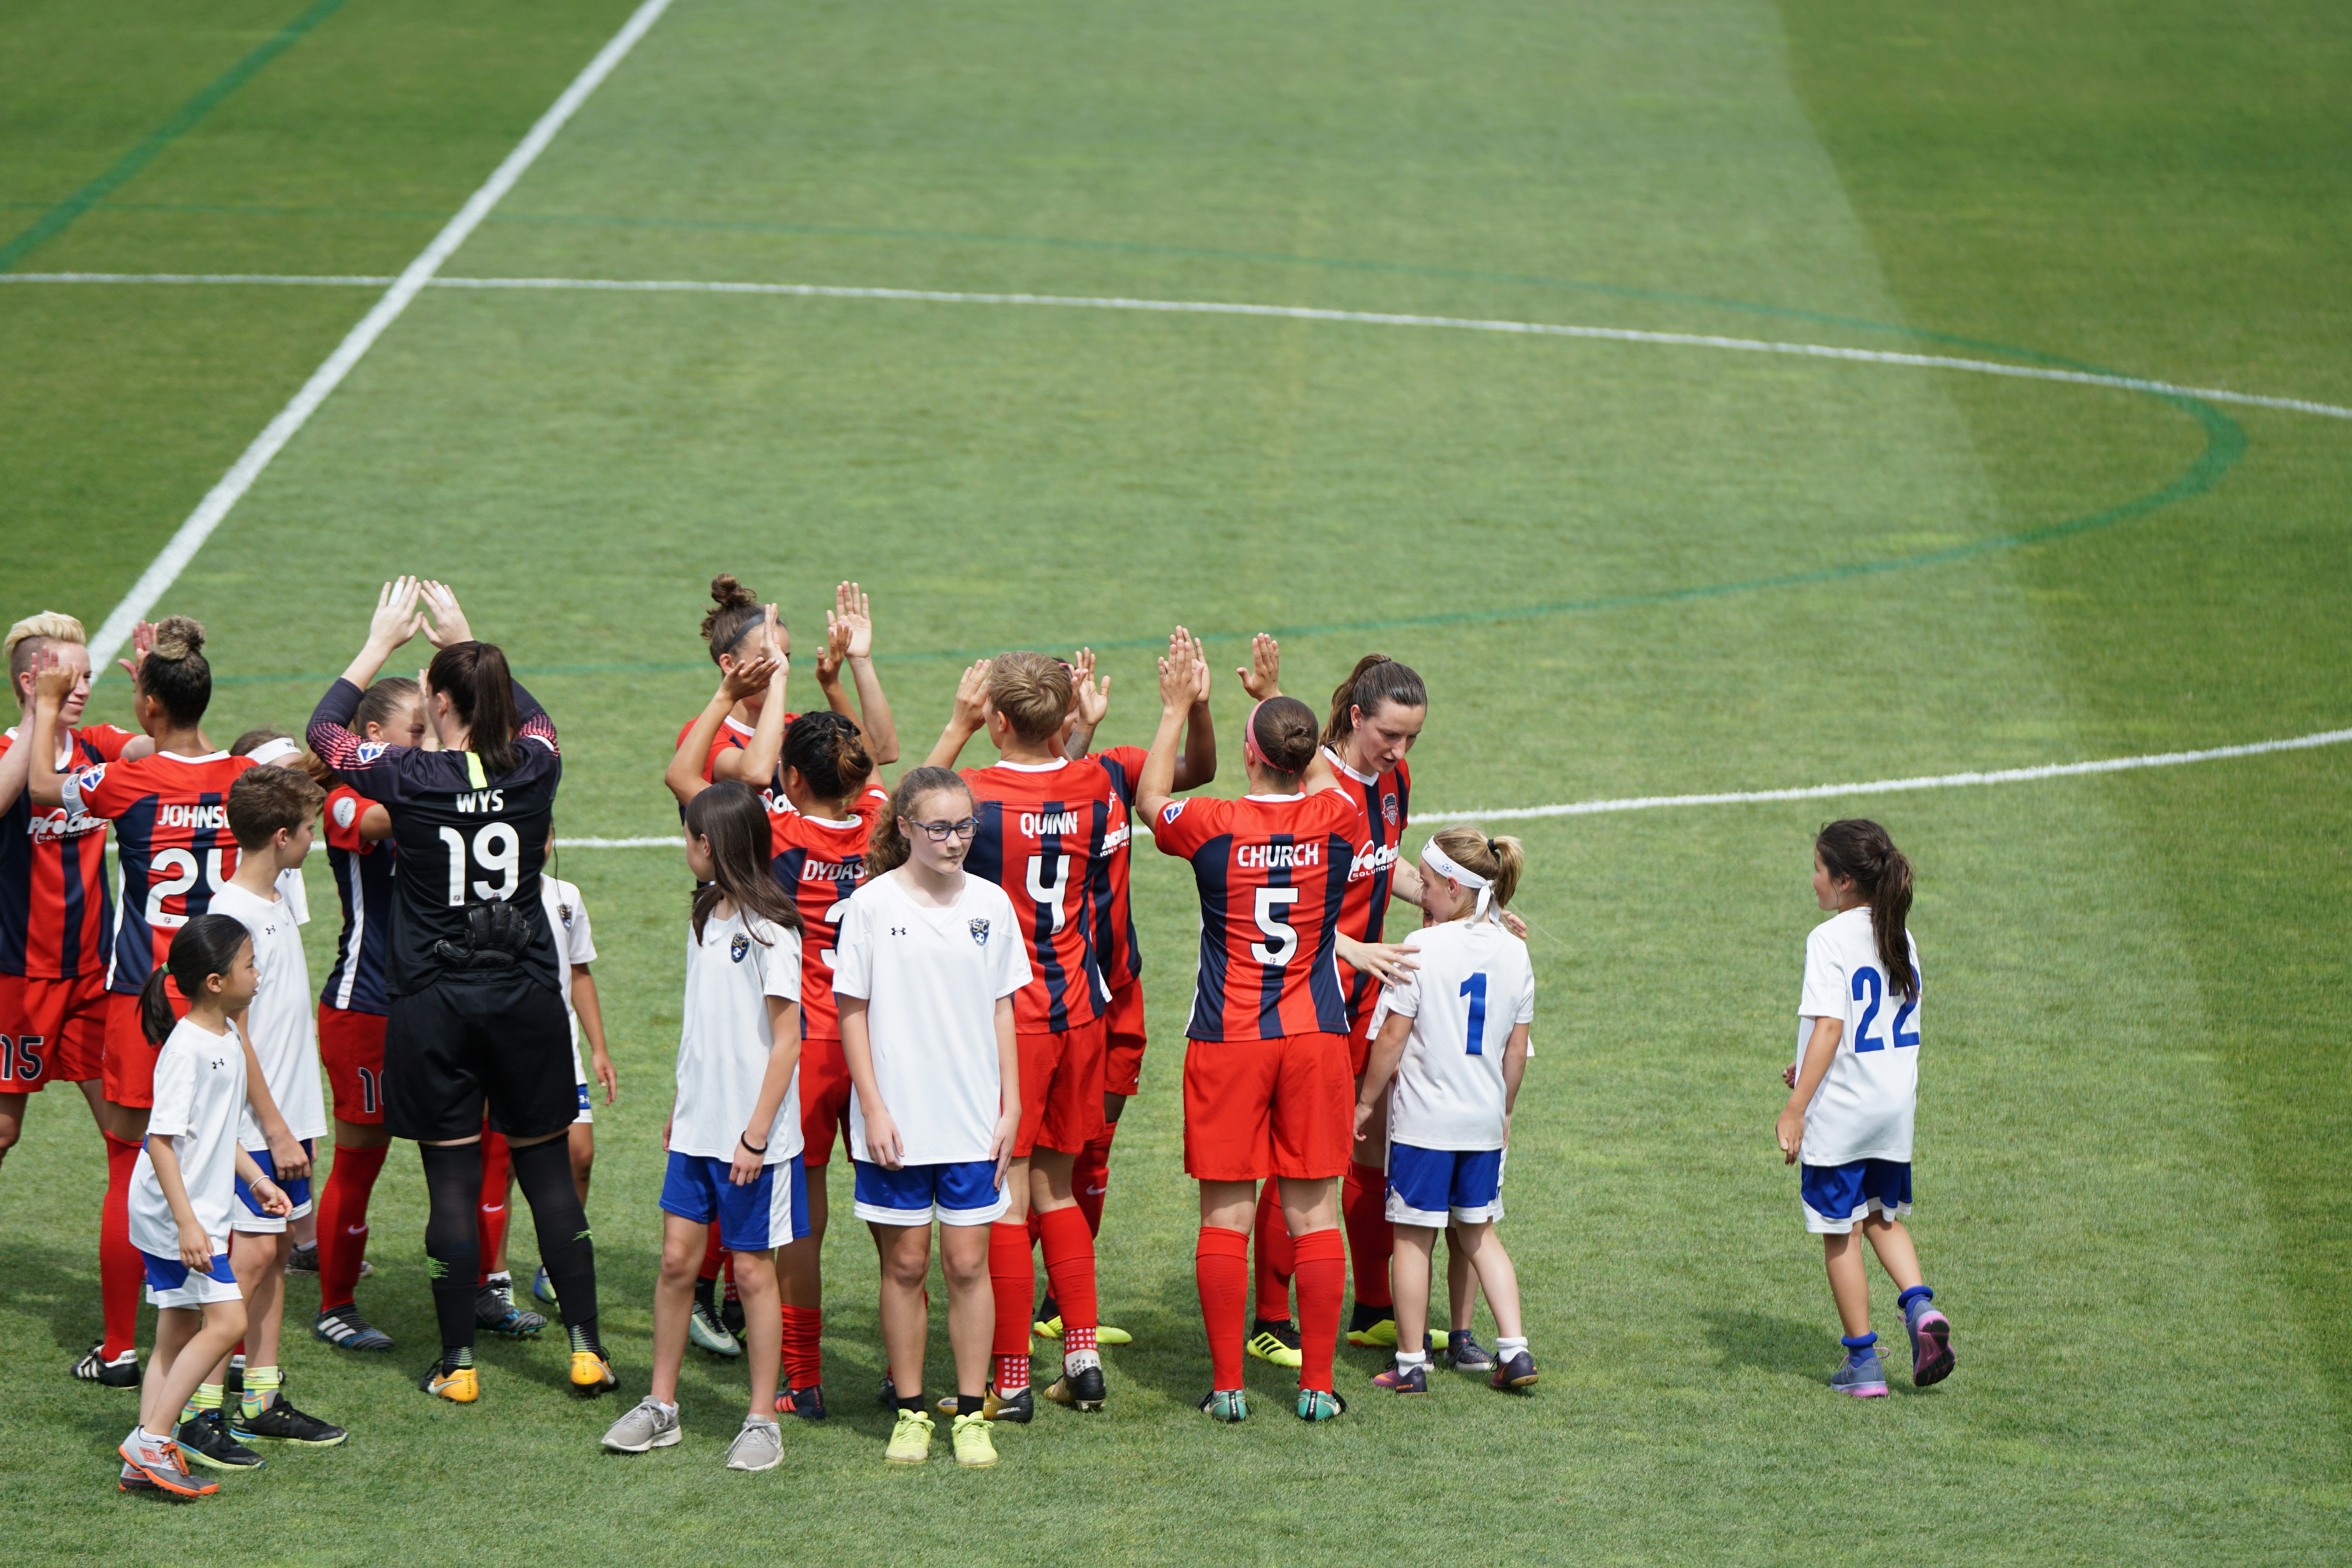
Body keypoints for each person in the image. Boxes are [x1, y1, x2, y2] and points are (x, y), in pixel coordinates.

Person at [306, 578, 609, 1404]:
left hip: (433, 1004)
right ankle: (587, 1350)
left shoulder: (408, 773)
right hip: (524, 997)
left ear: (438, 702)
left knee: (449, 1181)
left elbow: (325, 733)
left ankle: (459, 1363)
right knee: (547, 1176)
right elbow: (540, 722)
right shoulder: (537, 766)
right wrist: (475, 643)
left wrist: (379, 645)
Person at [1139, 657, 1416, 1423]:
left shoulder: (1210, 824)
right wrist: (1270, 697)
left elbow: (1152, 798)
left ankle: (1229, 1385)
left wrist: (1174, 708)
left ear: (1250, 755)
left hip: (1229, 1038)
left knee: (1225, 1215)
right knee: (1314, 1213)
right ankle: (1319, 1386)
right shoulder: (1339, 818)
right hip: (1316, 1035)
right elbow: (1330, 784)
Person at [25, 617, 263, 1389]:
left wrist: (49, 705)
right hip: (221, 998)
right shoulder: (240, 779)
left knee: (130, 1159)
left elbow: (37, 788)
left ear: (149, 706)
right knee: (221, 1154)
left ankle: (122, 1345)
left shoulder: (128, 780)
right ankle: (216, 1332)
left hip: (140, 998)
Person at [668, 666, 888, 1420]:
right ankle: (904, 1370)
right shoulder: (881, 820)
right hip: (877, 1044)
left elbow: (688, 778)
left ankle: (803, 1377)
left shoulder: (774, 833)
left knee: (802, 1221)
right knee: (894, 1211)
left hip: (805, 1046)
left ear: (790, 778)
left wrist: (737, 693)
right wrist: (843, 684)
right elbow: (882, 757)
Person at [923, 653, 1115, 1418]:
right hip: (1082, 1009)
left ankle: (1009, 1379)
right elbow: (1065, 779)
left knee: (1005, 1197)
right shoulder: (1097, 783)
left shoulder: (978, 799)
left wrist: (957, 725)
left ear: (998, 719)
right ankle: (1083, 1355)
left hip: (1013, 1020)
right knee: (1059, 1187)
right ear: (1067, 719)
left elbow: (893, 825)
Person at [600, 782, 803, 1470]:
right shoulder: (706, 914)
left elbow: (787, 1043)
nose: (684, 847)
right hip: (697, 1129)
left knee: (751, 1273)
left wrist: (753, 1133)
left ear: (710, 845)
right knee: (675, 1263)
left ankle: (760, 1421)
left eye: (689, 836)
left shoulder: (773, 930)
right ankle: (663, 1407)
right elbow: (704, 1027)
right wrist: (684, 1105)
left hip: (754, 1139)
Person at [833, 767, 1025, 1468]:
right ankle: (912, 1411)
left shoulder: (993, 905)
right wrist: (874, 1107)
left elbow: (1004, 1005)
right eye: (940, 827)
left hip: (974, 1118)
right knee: (907, 1264)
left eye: (965, 826)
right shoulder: (869, 906)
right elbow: (851, 1010)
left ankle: (971, 1414)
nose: (955, 840)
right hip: (898, 1123)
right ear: (906, 828)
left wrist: (1013, 1103)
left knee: (968, 1263)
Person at [1030, 633, 1217, 1348]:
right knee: (1045, 1154)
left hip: (1120, 993)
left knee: (1094, 1149)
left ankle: (1059, 1300)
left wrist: (1196, 707)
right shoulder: (1036, 786)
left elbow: (1194, 768)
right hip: (1054, 1000)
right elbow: (1051, 791)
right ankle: (1022, 1308)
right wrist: (1082, 736)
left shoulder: (1117, 770)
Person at [170, 764, 348, 1465]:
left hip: (288, 1113)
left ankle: (261, 1398)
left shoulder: (272, 897)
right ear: (282, 837)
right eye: (308, 831)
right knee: (245, 1261)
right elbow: (236, 1031)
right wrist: (274, 1125)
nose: (314, 840)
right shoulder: (234, 915)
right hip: (255, 1123)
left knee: (272, 1251)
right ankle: (200, 1409)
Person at [1356, 826, 1537, 1395]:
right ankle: (1515, 1349)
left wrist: (1364, 1101)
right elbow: (1516, 1052)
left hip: (1424, 1125)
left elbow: (1391, 1038)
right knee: (1480, 1234)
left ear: (1456, 889)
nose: (1420, 892)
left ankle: (1411, 1364)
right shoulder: (1516, 950)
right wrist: (1503, 1111)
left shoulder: (1422, 947)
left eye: (1428, 884)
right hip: (1482, 1123)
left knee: (1413, 1239)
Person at [1776, 819, 1955, 1397]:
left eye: (1820, 871)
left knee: (1840, 1232)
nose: (1814, 881)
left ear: (1845, 882)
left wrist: (1797, 1106)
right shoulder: (1899, 934)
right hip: (1892, 1108)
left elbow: (1831, 1026)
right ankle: (1921, 1308)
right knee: (1883, 1217)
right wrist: (1804, 1066)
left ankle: (1863, 1363)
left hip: (1842, 1113)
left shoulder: (1827, 939)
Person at [116, 914, 284, 1499]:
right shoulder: (188, 1049)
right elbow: (161, 1140)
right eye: (249, 965)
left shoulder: (229, 1037)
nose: (258, 974)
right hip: (176, 1217)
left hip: (196, 1211)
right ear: (216, 982)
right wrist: (188, 1223)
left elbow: (216, 1131)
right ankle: (155, 1440)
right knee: (230, 1321)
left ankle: (143, 1458)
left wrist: (257, 1181)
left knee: (177, 1332)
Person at [0, 613, 146, 1178]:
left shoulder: (97, 745)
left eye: (88, 678)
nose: (84, 689)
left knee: (122, 1128)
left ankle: (141, 1255)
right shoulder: (8, 752)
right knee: (5, 1131)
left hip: (90, 977)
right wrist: (40, 715)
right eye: (72, 678)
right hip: (17, 978)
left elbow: (173, 750)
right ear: (31, 682)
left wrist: (154, 692)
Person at [309, 675, 427, 1352]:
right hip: (367, 1008)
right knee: (361, 1161)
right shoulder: (346, 801)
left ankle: (484, 1287)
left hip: (433, 1004)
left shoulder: (423, 779)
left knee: (476, 1145)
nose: (429, 743)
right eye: (418, 731)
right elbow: (395, 816)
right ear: (374, 740)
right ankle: (336, 1304)